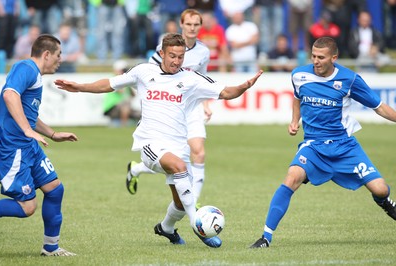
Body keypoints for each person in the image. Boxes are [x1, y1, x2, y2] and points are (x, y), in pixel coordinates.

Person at [55, 32, 263, 248]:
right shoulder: (144, 71)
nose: (176, 61)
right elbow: (109, 84)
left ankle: (166, 228)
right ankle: (198, 225)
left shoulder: (191, 79)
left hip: (178, 145)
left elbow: (226, 92)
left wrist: (243, 87)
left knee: (181, 203)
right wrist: (80, 87)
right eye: (172, 55)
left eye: (180, 56)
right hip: (150, 142)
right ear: (162, 53)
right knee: (180, 168)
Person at [250, 36, 396, 249]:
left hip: (345, 147)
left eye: (321, 57)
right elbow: (297, 97)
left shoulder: (350, 80)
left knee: (380, 189)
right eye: (313, 56)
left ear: (334, 58)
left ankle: (384, 202)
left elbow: (379, 106)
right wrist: (294, 120)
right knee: (291, 178)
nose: (315, 61)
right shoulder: (299, 75)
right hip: (314, 146)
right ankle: (265, 237)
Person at [0, 34, 78, 256]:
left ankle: (51, 247)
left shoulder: (36, 76)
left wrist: (52, 134)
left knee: (54, 189)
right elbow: (9, 95)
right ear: (47, 54)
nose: (61, 59)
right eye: (59, 55)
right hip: (12, 148)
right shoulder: (27, 68)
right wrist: (27, 130)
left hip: (28, 146)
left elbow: (27, 112)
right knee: (27, 207)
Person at [131, 9, 211, 208]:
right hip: (169, 109)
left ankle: (194, 200)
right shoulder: (165, 48)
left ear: (200, 27)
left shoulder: (204, 52)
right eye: (189, 24)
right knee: (173, 159)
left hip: (191, 109)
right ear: (181, 25)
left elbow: (203, 80)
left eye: (196, 24)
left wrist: (207, 103)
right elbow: (150, 78)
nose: (192, 28)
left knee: (198, 153)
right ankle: (136, 169)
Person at [103, 60, 140, 126]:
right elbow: (121, 92)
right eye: (123, 70)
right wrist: (127, 81)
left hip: (122, 108)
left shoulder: (124, 81)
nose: (124, 72)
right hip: (111, 108)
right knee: (125, 104)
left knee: (139, 114)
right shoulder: (114, 79)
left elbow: (133, 95)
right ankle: (124, 125)